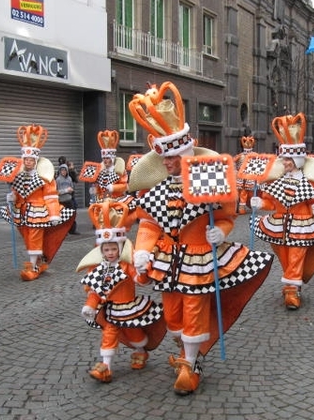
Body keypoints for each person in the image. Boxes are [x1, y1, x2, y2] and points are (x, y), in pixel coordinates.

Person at [128, 81, 273, 395]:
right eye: (164, 160)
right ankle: (185, 350)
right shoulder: (155, 189)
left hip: (199, 257)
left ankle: (191, 364)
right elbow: (149, 225)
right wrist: (142, 251)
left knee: (194, 307)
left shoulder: (209, 179)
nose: (167, 164)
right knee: (172, 313)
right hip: (168, 259)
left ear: (185, 153)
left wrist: (218, 231)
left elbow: (225, 216)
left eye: (172, 159)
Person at [250, 113, 314, 308]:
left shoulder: (308, 181)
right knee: (283, 255)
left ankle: (292, 290)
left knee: (296, 255)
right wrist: (260, 204)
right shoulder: (275, 180)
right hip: (278, 224)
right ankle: (291, 283)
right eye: (283, 158)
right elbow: (270, 203)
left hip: (301, 224)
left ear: (297, 161)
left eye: (288, 159)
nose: (285, 162)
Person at [77, 200, 165, 383]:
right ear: (101, 250)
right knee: (109, 333)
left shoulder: (126, 265)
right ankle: (105, 366)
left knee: (135, 334)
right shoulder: (98, 268)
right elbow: (95, 290)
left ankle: (141, 351)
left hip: (129, 307)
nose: (110, 252)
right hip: (111, 310)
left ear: (119, 248)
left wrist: (142, 272)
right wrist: (90, 306)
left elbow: (139, 280)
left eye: (113, 249)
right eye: (106, 249)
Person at [0, 124, 76, 281]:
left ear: (36, 160)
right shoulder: (17, 176)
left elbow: (50, 196)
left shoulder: (44, 177)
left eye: (31, 159)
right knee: (26, 236)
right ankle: (37, 260)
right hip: (21, 211)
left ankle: (33, 265)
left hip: (38, 211)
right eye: (26, 159)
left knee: (34, 236)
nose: (28, 162)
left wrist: (54, 214)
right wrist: (13, 197)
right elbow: (18, 193)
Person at [233, 135, 256, 215]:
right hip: (240, 177)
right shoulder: (240, 156)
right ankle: (238, 208)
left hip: (249, 177)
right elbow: (233, 163)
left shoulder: (254, 156)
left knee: (245, 192)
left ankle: (243, 207)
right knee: (240, 192)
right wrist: (235, 171)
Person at [56, 164, 80, 234]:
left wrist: (72, 190)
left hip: (69, 200)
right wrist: (66, 190)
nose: (63, 172)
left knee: (72, 215)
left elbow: (72, 187)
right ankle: (64, 231)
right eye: (62, 170)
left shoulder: (69, 178)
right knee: (63, 217)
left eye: (64, 170)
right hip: (62, 201)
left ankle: (72, 230)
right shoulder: (58, 180)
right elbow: (56, 192)